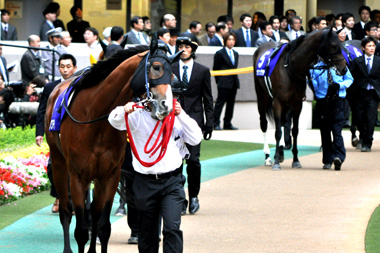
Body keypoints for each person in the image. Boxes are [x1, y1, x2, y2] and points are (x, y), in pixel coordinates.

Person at [108, 100, 202, 253]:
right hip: (145, 182)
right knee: (147, 234)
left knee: (172, 228)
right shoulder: (137, 115)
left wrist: (181, 114)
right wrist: (125, 109)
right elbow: (113, 119)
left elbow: (196, 138)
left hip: (172, 182)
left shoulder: (176, 116)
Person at [171, 36, 214, 215]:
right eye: (180, 46)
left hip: (195, 120)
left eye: (187, 47)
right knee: (176, 161)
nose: (183, 49)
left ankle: (194, 195)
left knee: (193, 161)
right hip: (174, 120)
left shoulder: (202, 70)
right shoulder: (170, 68)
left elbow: (208, 98)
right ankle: (180, 198)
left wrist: (209, 123)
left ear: (193, 50)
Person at [35, 54, 77, 213]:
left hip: (76, 136)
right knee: (54, 167)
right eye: (62, 66)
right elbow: (42, 111)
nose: (65, 70)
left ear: (74, 68)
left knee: (75, 167)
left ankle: (73, 200)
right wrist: (39, 133)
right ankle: (59, 197)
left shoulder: (82, 86)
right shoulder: (50, 87)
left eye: (68, 66)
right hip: (56, 134)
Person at [310, 59, 353, 170]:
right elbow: (314, 85)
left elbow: (349, 79)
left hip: (337, 100)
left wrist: (339, 85)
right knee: (325, 132)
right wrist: (310, 79)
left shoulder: (340, 65)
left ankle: (339, 156)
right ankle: (327, 160)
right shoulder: (315, 68)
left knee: (336, 130)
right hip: (323, 101)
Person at [350, 37, 380, 152]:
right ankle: (362, 136)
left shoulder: (378, 60)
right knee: (359, 118)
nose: (372, 48)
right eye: (369, 46)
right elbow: (352, 77)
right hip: (360, 93)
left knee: (371, 118)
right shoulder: (357, 61)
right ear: (363, 48)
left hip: (373, 94)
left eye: (373, 46)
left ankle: (368, 142)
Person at [213, 32, 240, 130]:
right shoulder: (220, 53)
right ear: (225, 41)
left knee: (231, 104)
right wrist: (219, 81)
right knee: (220, 103)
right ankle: (215, 123)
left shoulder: (236, 53)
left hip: (233, 82)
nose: (231, 42)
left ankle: (227, 123)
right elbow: (215, 68)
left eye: (233, 40)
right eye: (229, 39)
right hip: (223, 82)